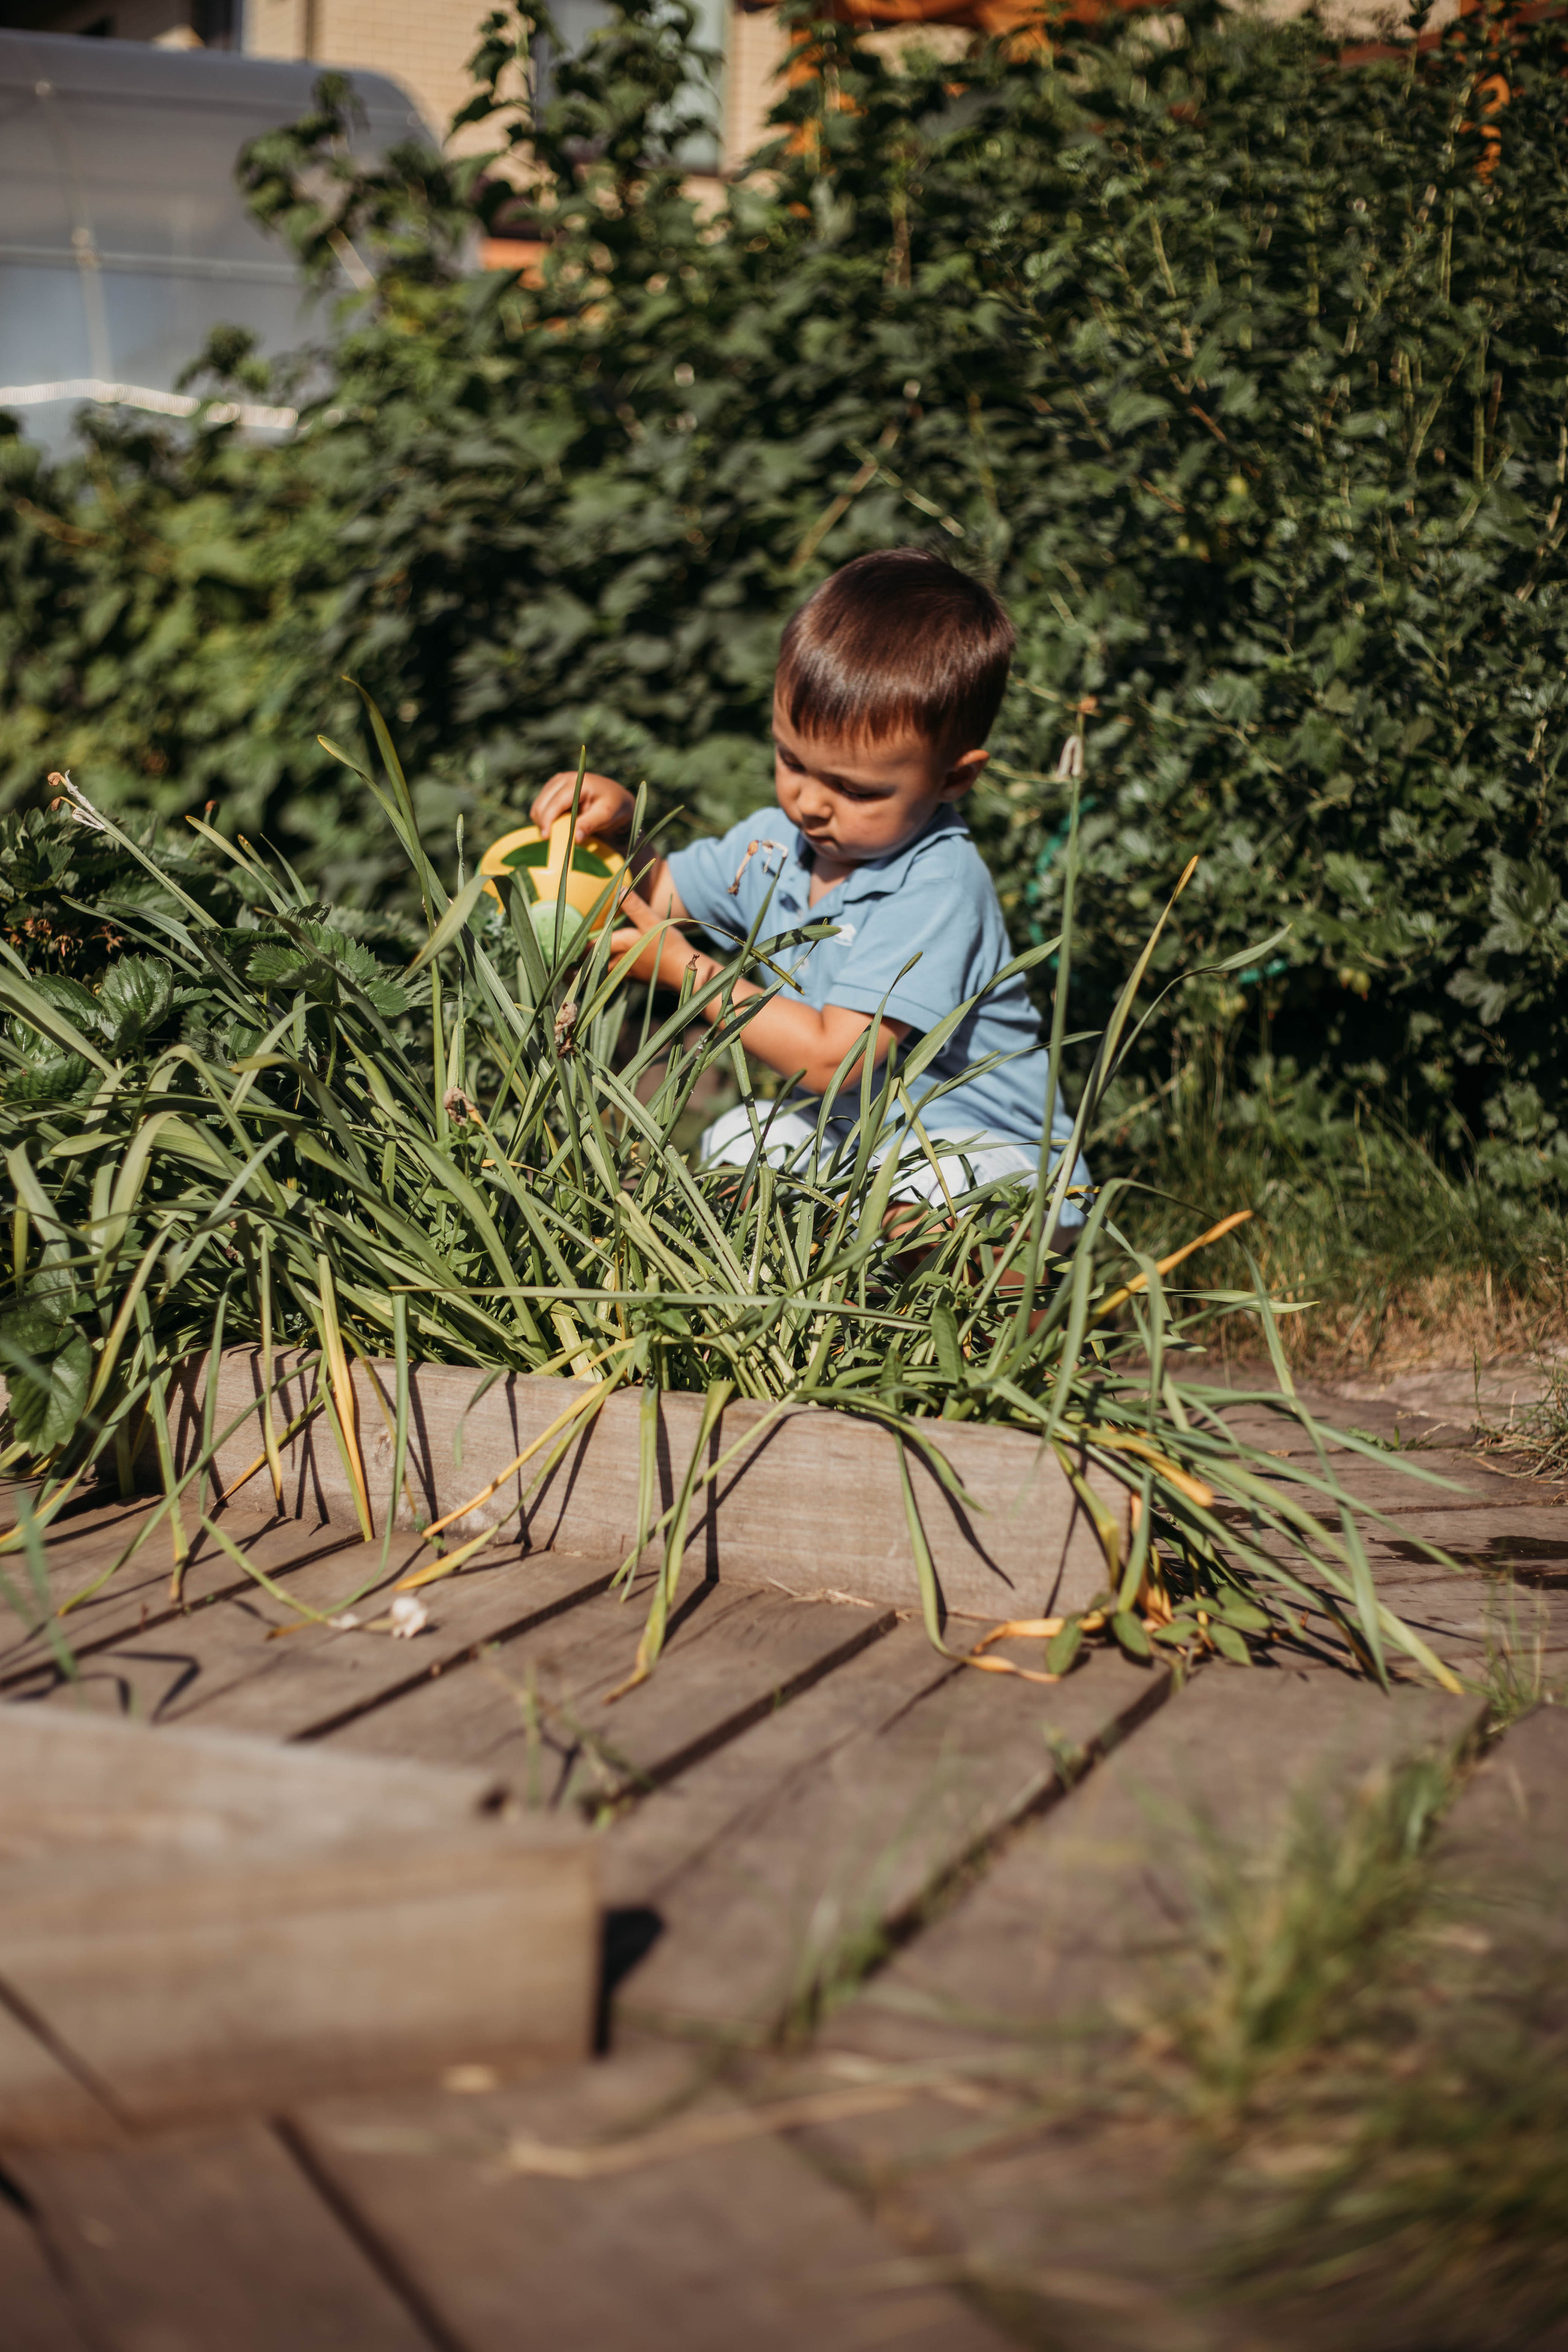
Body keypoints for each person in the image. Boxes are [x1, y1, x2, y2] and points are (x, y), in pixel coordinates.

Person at [530, 548, 1090, 1224]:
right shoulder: (775, 844)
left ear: (953, 779)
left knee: (926, 1195)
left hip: (995, 1154)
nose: (812, 803)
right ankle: (800, 1295)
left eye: (854, 789)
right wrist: (621, 830)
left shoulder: (937, 883)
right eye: (791, 760)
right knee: (742, 1141)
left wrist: (687, 970)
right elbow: (659, 896)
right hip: (860, 1143)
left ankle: (1016, 1318)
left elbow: (833, 1061)